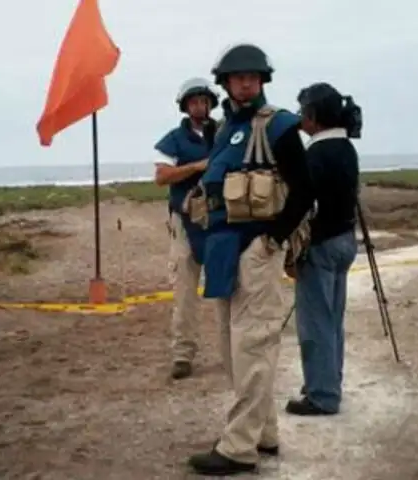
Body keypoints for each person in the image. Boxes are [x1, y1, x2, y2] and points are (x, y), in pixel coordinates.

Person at [185, 44, 314, 476]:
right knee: (233, 348)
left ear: (262, 81)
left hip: (256, 250)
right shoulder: (224, 130)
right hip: (222, 250)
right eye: (238, 77)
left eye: (253, 77)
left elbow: (303, 189)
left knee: (253, 345)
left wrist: (273, 241)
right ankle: (263, 433)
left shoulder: (277, 126)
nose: (246, 82)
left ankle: (239, 447)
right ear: (225, 83)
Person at [282, 82, 361, 416]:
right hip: (345, 240)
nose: (301, 118)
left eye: (304, 112)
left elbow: (302, 202)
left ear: (314, 116)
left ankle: (322, 394)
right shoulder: (346, 148)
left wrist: (282, 239)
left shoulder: (315, 153)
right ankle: (329, 380)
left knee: (314, 322)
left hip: (321, 245)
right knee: (333, 319)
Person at [153, 77, 220, 380]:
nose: (199, 106)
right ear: (185, 106)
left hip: (220, 219)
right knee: (184, 291)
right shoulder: (173, 139)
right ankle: (183, 354)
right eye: (194, 101)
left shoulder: (224, 133)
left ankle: (231, 350)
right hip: (184, 221)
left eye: (203, 101)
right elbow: (162, 176)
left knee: (227, 288)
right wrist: (196, 167)